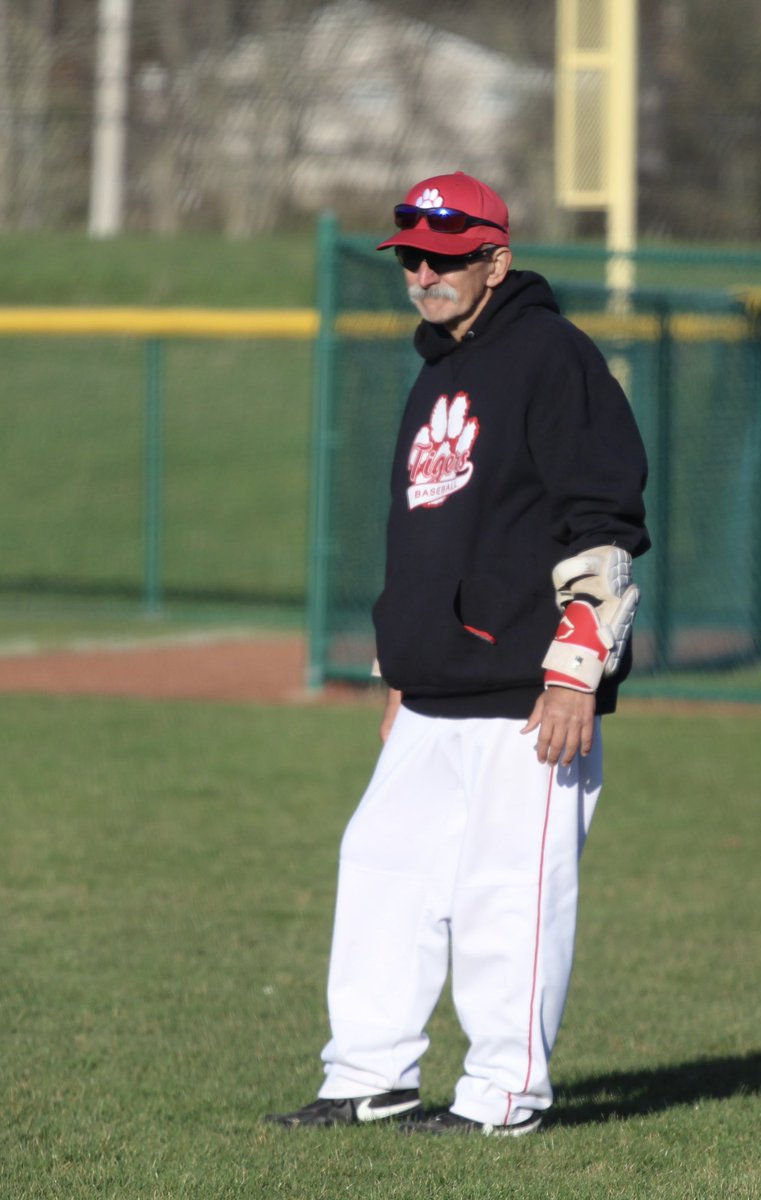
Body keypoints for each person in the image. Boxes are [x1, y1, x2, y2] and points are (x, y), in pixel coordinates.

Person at [265, 171, 650, 1136]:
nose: (423, 274)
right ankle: (368, 1078)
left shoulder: (553, 357)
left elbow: (603, 524)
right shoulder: (439, 369)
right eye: (411, 259)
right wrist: (402, 671)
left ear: (496, 260)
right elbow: (425, 540)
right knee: (381, 875)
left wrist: (576, 674)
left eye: (445, 258)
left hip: (528, 699)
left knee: (507, 900)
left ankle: (502, 1097)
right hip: (433, 695)